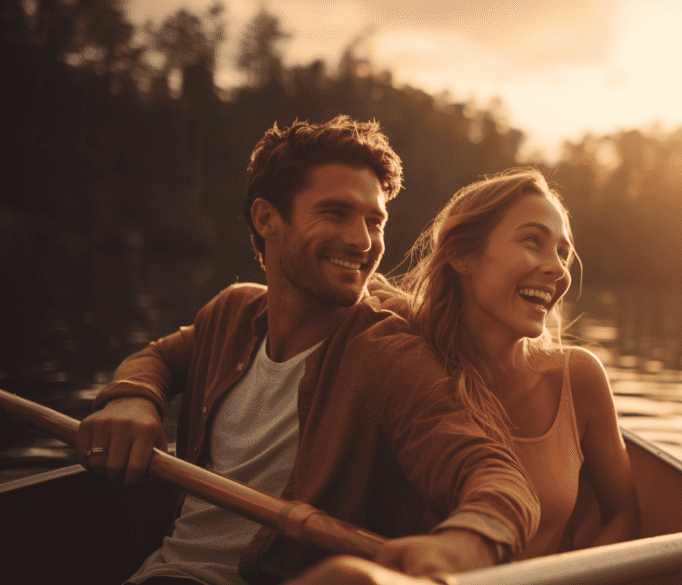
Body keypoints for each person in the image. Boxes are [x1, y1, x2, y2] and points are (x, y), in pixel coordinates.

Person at [75, 116, 539, 585]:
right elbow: (158, 358)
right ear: (266, 219)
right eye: (336, 212)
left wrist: (463, 546)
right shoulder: (230, 315)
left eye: (374, 221)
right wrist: (133, 397)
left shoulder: (386, 355)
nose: (362, 241)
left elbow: (499, 479)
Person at [373, 168, 641, 558]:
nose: (558, 269)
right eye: (533, 241)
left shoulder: (577, 378)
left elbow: (625, 515)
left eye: (563, 252)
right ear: (462, 255)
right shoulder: (404, 358)